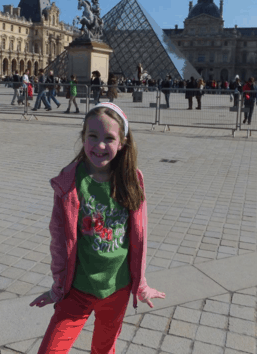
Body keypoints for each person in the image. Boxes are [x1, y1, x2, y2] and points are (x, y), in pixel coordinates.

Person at [29, 103, 165, 353]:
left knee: (104, 350)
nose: (100, 145)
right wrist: (57, 288)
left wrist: (141, 285)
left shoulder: (131, 179)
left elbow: (140, 238)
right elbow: (59, 242)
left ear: (122, 143)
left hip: (117, 289)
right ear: (83, 137)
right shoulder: (69, 182)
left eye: (109, 138)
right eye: (93, 136)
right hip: (77, 289)